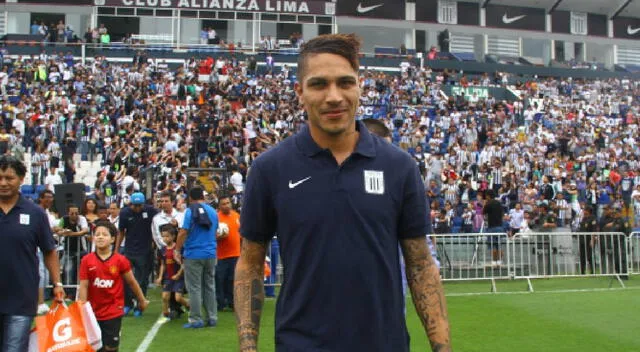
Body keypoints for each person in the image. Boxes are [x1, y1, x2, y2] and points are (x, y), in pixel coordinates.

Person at [235, 34, 451, 352]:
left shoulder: (399, 167)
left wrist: (441, 347)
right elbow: (251, 263)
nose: (334, 96)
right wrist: (248, 346)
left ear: (359, 86)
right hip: (301, 345)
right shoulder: (270, 169)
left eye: (345, 83)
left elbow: (419, 263)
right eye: (319, 84)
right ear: (300, 92)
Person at [0, 155, 64, 351]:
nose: (3, 183)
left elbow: (49, 251)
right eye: (0, 177)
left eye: (9, 178)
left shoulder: (35, 213)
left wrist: (57, 283)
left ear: (21, 179)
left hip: (21, 298)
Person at [78, 221, 148, 352]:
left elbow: (132, 282)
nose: (100, 237)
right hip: (93, 312)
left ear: (113, 239)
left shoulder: (120, 260)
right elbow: (83, 286)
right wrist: (82, 308)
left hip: (113, 311)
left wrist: (142, 300)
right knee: (94, 347)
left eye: (104, 234)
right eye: (97, 234)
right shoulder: (86, 260)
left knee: (111, 347)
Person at [175, 187, 218, 329]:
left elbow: (183, 232)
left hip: (193, 253)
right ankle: (212, 317)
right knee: (209, 286)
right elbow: (215, 231)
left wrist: (177, 249)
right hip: (211, 253)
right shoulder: (213, 211)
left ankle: (196, 319)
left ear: (191, 198)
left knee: (194, 287)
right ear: (203, 197)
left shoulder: (190, 211)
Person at [115, 192, 158, 316]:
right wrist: (116, 250)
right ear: (131, 204)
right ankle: (127, 303)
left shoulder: (150, 211)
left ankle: (140, 304)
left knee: (142, 279)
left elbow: (157, 225)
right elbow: (121, 232)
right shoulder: (124, 213)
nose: (138, 208)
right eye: (135, 205)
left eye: (140, 205)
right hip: (129, 249)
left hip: (145, 250)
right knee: (125, 278)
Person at [155, 224, 190, 320]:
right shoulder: (162, 250)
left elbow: (184, 263)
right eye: (163, 236)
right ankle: (166, 312)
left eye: (167, 236)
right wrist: (160, 277)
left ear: (173, 236)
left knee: (178, 297)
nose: (164, 239)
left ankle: (188, 304)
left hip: (179, 278)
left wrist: (179, 274)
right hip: (168, 278)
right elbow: (163, 264)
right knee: (165, 297)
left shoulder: (178, 249)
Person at [215, 194, 241, 312]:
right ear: (219, 206)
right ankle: (220, 303)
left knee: (233, 280)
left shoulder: (237, 216)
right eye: (223, 204)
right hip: (221, 255)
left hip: (235, 254)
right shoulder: (216, 218)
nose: (226, 205)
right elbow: (212, 236)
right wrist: (218, 237)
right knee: (220, 280)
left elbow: (241, 233)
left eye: (228, 203)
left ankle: (232, 303)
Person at [483, 189, 505, 266]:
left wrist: (484, 204)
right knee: (499, 245)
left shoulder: (488, 204)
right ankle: (500, 261)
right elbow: (502, 214)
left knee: (493, 246)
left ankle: (494, 261)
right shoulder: (499, 203)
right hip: (500, 226)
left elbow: (483, 212)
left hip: (491, 227)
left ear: (488, 196)